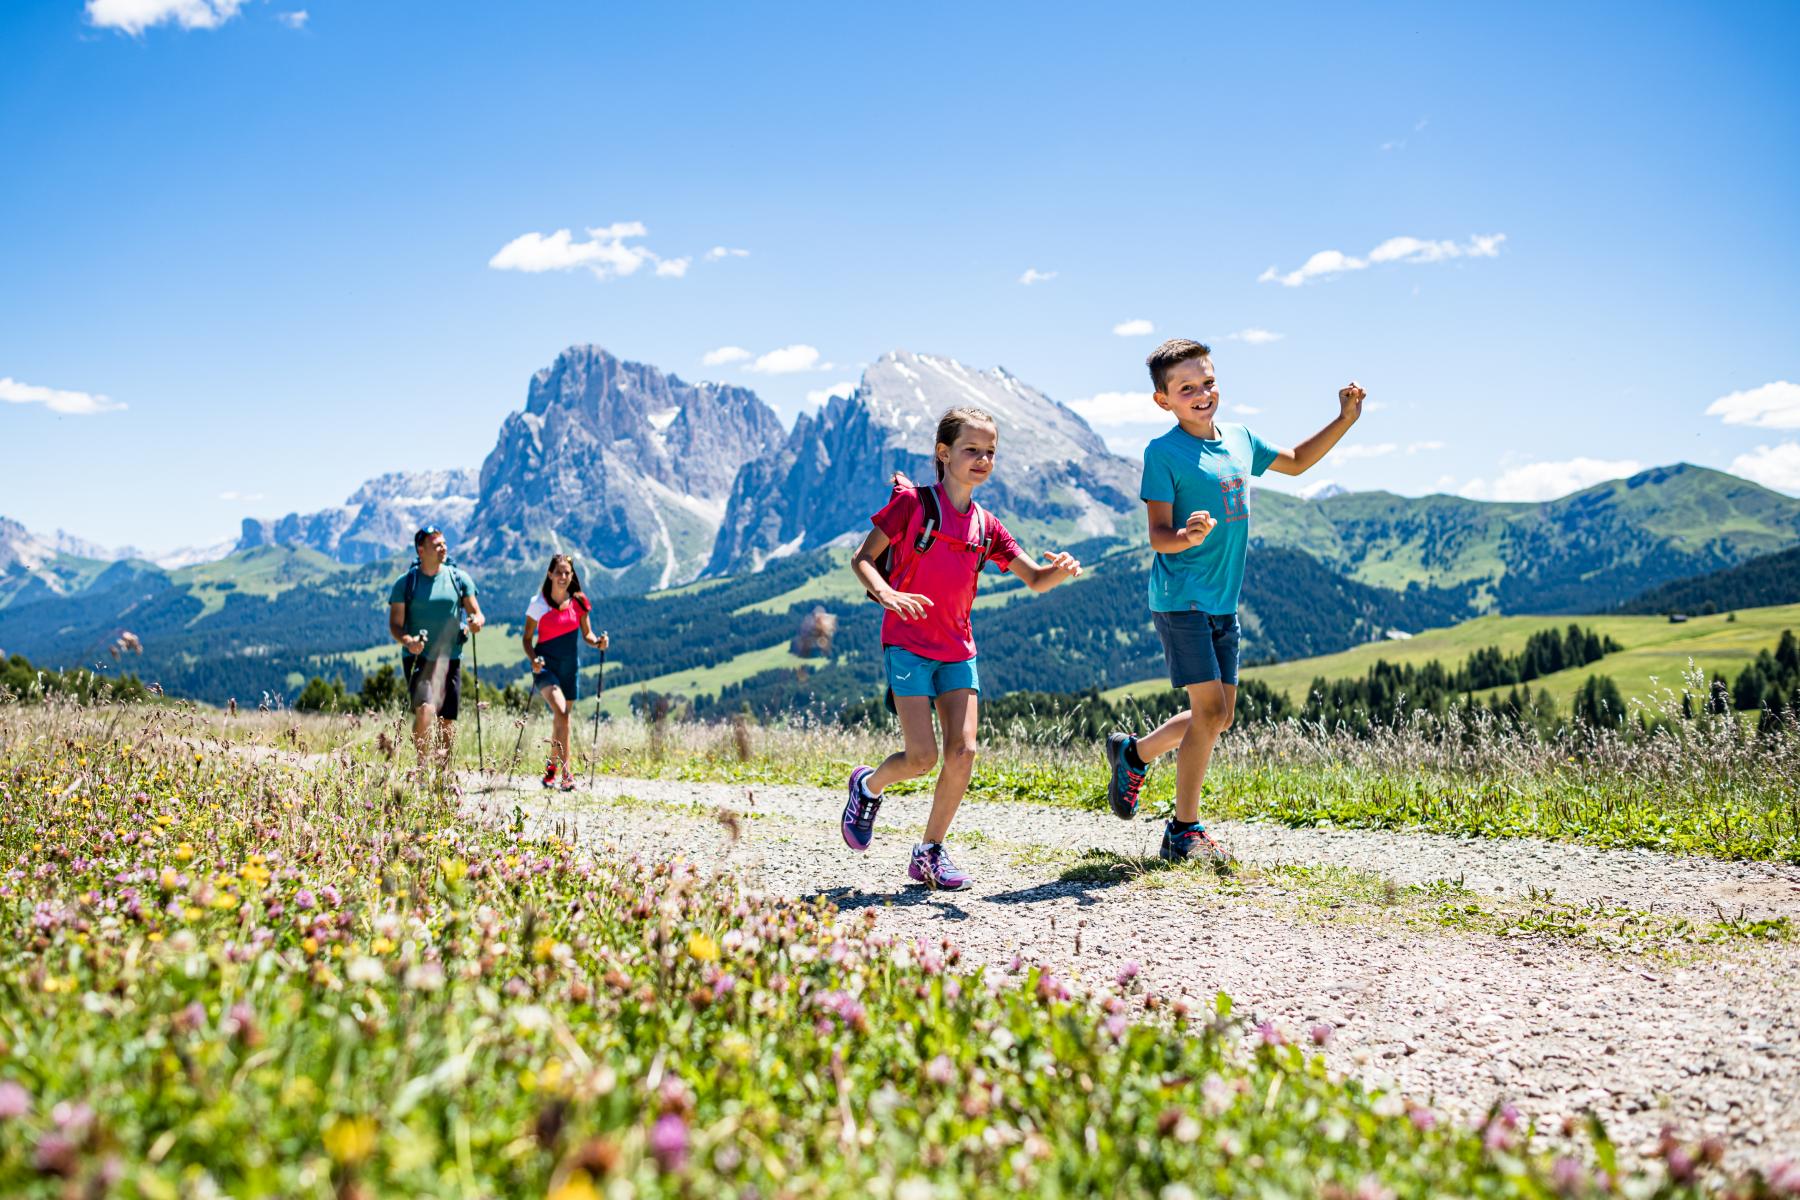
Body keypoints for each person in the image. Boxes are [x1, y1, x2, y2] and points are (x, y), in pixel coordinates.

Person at [1103, 339, 1364, 863]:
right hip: (1181, 599)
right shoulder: (1163, 453)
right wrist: (1187, 536)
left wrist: (1344, 420)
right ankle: (1183, 831)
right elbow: (1158, 535)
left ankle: (1134, 753)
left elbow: (1297, 462)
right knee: (1209, 712)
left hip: (1223, 602)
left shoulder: (1240, 439)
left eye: (1208, 382)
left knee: (1219, 717)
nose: (1202, 394)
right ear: (1163, 400)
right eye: (1186, 388)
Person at [841, 406, 1083, 890]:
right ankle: (867, 786)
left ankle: (929, 852)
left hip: (957, 649)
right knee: (921, 757)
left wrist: (1061, 570)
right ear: (943, 453)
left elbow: (1036, 578)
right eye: (972, 449)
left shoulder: (987, 526)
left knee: (964, 750)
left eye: (990, 451)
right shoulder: (912, 506)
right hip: (907, 644)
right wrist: (887, 594)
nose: (982, 459)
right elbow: (863, 559)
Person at [387, 526, 484, 779]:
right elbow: (395, 625)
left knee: (446, 720)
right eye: (437, 545)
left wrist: (475, 622)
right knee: (425, 710)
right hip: (418, 657)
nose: (443, 548)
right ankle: (421, 769)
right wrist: (408, 641)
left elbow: (476, 613)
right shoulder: (406, 583)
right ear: (421, 550)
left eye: (444, 543)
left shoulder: (459, 578)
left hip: (450, 657)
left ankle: (443, 774)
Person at [521, 553, 607, 790]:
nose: (563, 576)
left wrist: (598, 642)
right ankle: (567, 775)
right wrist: (534, 660)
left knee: (561, 721)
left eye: (567, 572)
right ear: (550, 574)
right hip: (545, 668)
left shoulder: (579, 602)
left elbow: (587, 634)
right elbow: (527, 639)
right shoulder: (538, 604)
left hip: (570, 668)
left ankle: (551, 770)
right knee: (562, 713)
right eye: (558, 572)